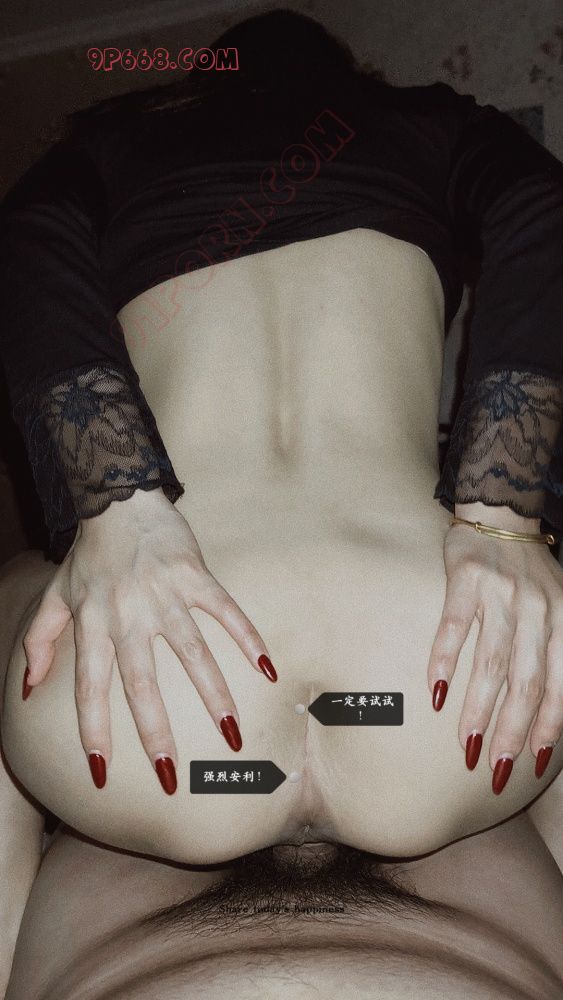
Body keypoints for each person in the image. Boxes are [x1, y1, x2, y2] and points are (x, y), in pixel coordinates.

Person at [0, 8, 562, 998]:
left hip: (162, 690)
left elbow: (26, 244)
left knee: (15, 589)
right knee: (538, 605)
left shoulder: (113, 141)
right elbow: (541, 207)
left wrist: (119, 510)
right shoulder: (431, 120)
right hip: (429, 682)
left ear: (198, 84)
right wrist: (500, 516)